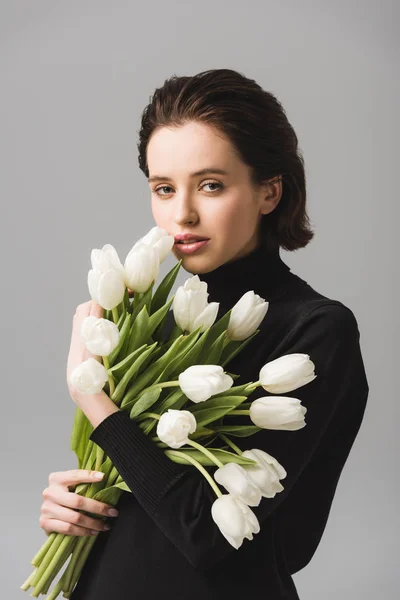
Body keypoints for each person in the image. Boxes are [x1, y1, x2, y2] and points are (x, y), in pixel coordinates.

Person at [39, 68, 369, 599]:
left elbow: (207, 535)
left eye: (211, 185)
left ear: (269, 191)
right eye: (164, 188)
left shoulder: (318, 331)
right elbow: (138, 486)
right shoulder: (154, 321)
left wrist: (93, 399)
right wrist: (76, 504)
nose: (182, 214)